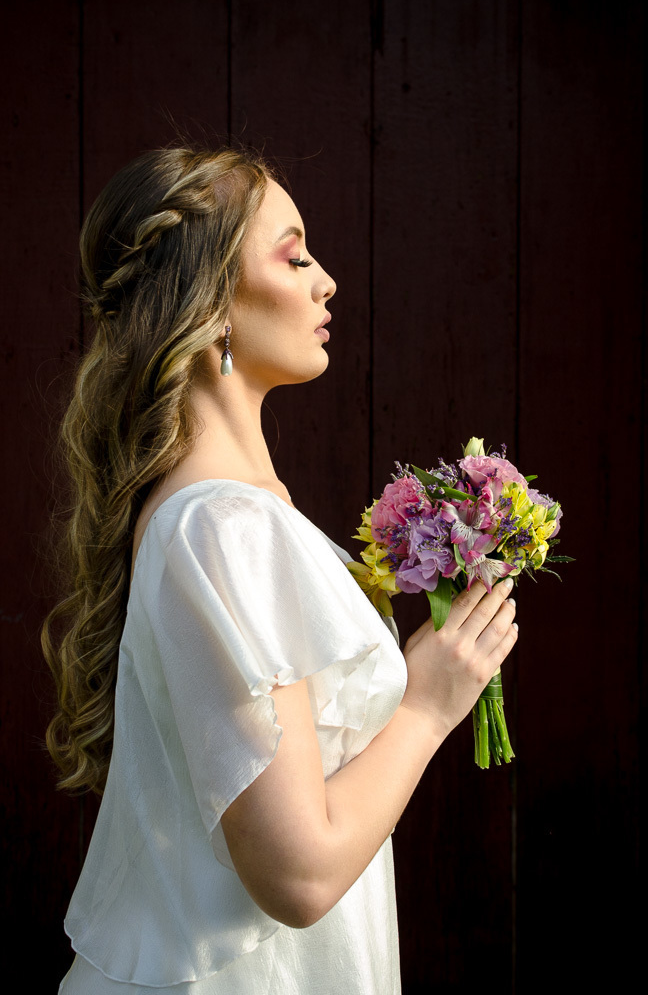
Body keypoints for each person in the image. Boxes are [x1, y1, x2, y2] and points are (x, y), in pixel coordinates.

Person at [42, 145, 519, 994]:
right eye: (293, 255)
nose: (324, 280)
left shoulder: (230, 520)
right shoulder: (220, 530)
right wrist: (427, 704)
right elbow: (298, 878)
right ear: (210, 301)